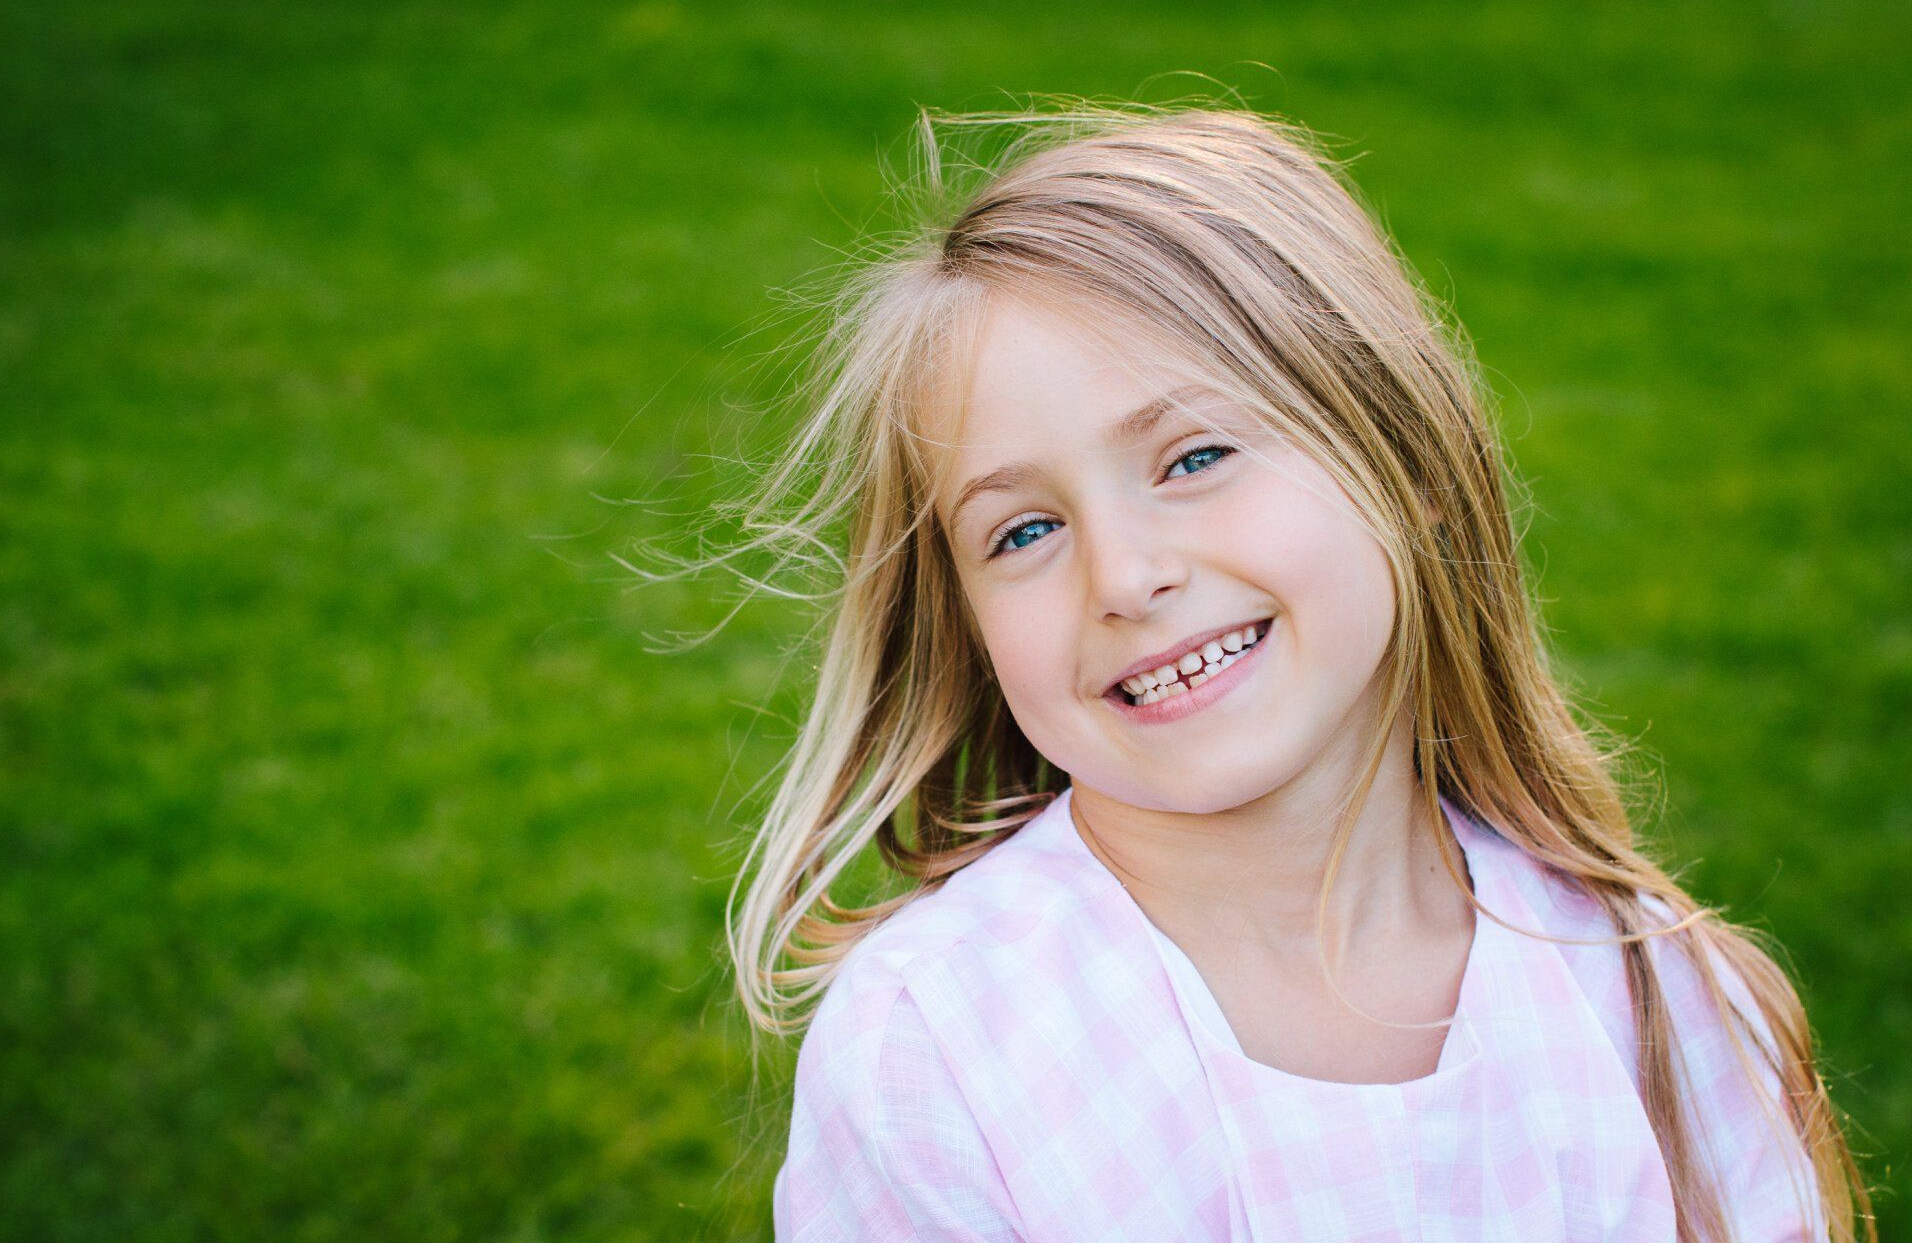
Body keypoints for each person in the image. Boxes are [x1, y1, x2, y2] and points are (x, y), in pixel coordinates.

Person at [696, 101, 1873, 1240]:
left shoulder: (1651, 989)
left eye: (1194, 455)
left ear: (1401, 458)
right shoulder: (937, 1046)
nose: (1123, 573)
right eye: (1023, 531)